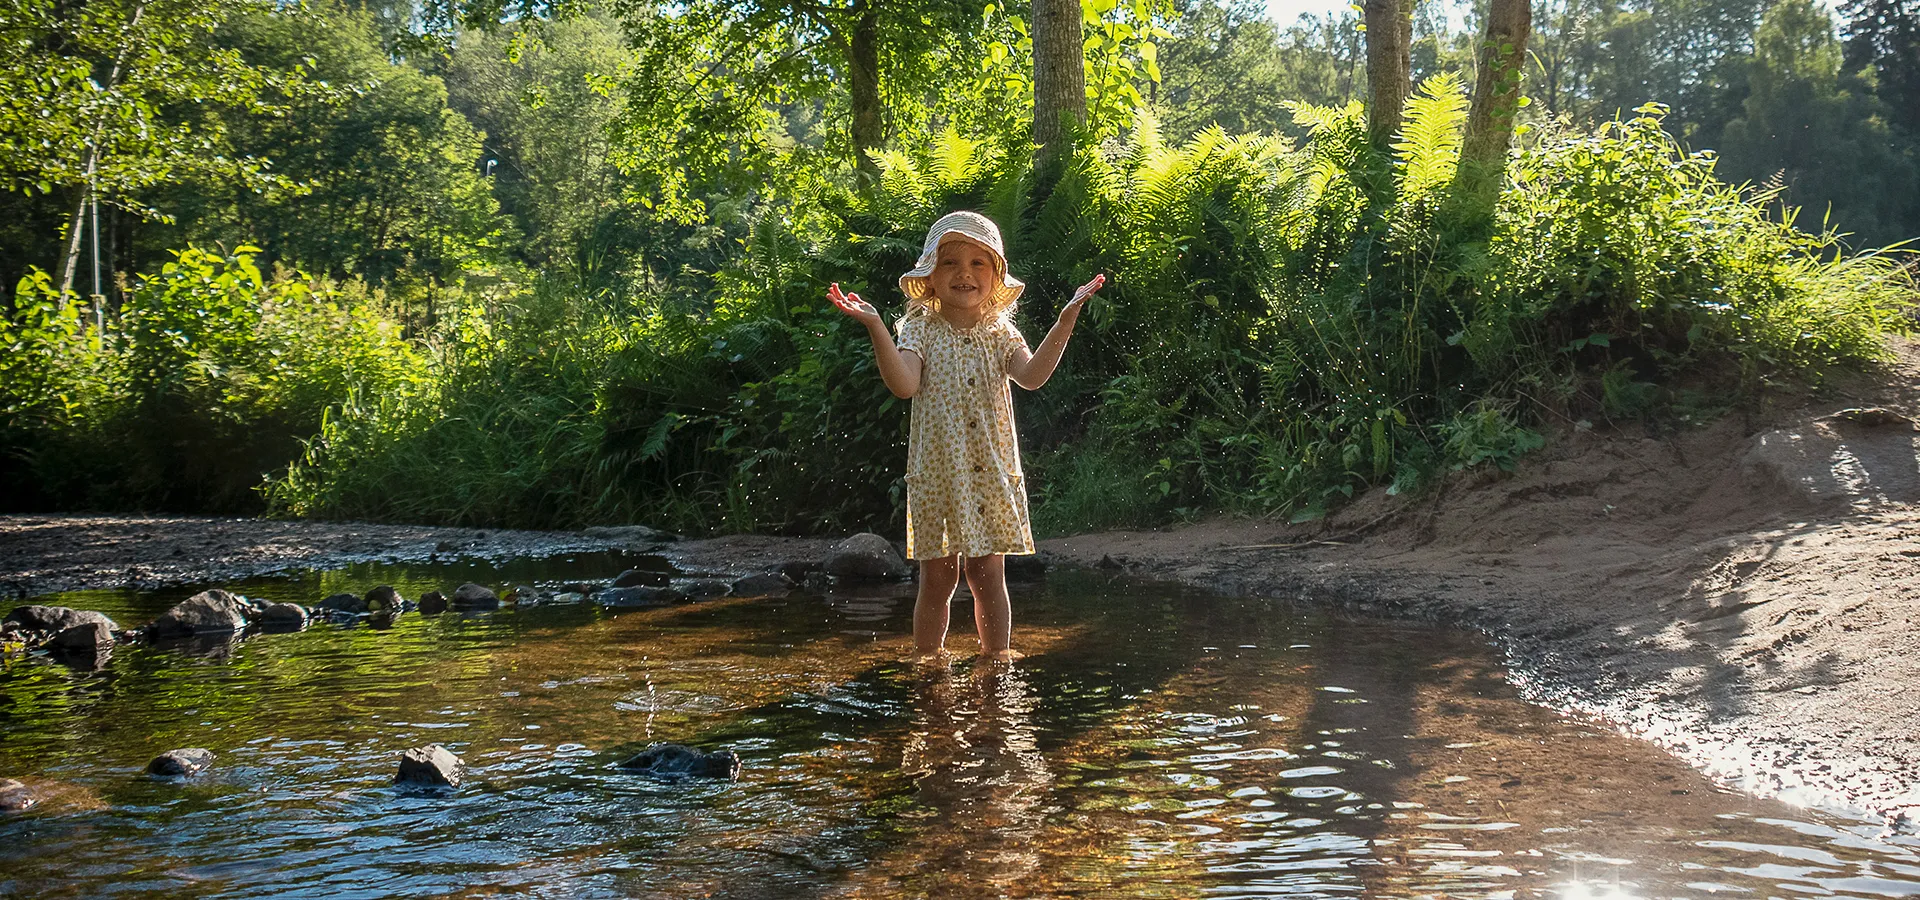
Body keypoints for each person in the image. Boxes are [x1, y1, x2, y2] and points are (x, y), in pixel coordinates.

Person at [827, 210, 1104, 660]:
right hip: (940, 473)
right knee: (938, 579)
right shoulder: (920, 330)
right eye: (950, 262)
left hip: (990, 471)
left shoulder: (1000, 332)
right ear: (930, 277)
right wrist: (877, 326)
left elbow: (1032, 376)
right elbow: (904, 385)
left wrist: (1064, 323)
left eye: (979, 263)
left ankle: (997, 660)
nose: (964, 273)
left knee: (987, 574)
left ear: (995, 277)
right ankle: (928, 662)